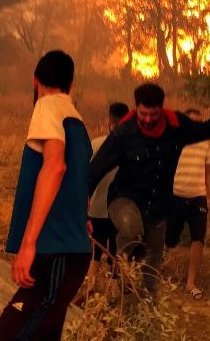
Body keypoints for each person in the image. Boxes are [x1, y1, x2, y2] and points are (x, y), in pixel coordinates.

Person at [0, 50, 92, 340]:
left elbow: (55, 166)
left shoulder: (47, 105)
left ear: (35, 80)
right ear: (71, 84)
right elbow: (79, 180)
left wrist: (28, 244)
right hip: (70, 253)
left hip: (53, 251)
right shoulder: (77, 121)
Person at [89, 83, 210, 294]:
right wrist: (83, 201)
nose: (147, 119)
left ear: (161, 109)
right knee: (132, 230)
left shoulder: (176, 126)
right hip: (124, 199)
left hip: (157, 205)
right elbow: (95, 169)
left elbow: (204, 130)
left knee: (153, 259)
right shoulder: (123, 133)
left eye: (153, 114)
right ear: (136, 108)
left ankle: (147, 299)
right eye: (143, 114)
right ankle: (120, 274)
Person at [165, 108, 210, 300]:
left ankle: (191, 282)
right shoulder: (174, 141)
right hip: (176, 196)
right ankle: (158, 274)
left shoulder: (204, 144)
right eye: (191, 122)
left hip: (198, 197)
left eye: (198, 123)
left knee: (198, 238)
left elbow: (209, 173)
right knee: (169, 239)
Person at [87, 102, 130, 287]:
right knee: (116, 252)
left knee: (95, 251)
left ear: (109, 123)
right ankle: (113, 295)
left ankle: (90, 289)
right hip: (120, 210)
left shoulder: (96, 144)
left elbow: (86, 176)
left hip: (96, 208)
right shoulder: (131, 148)